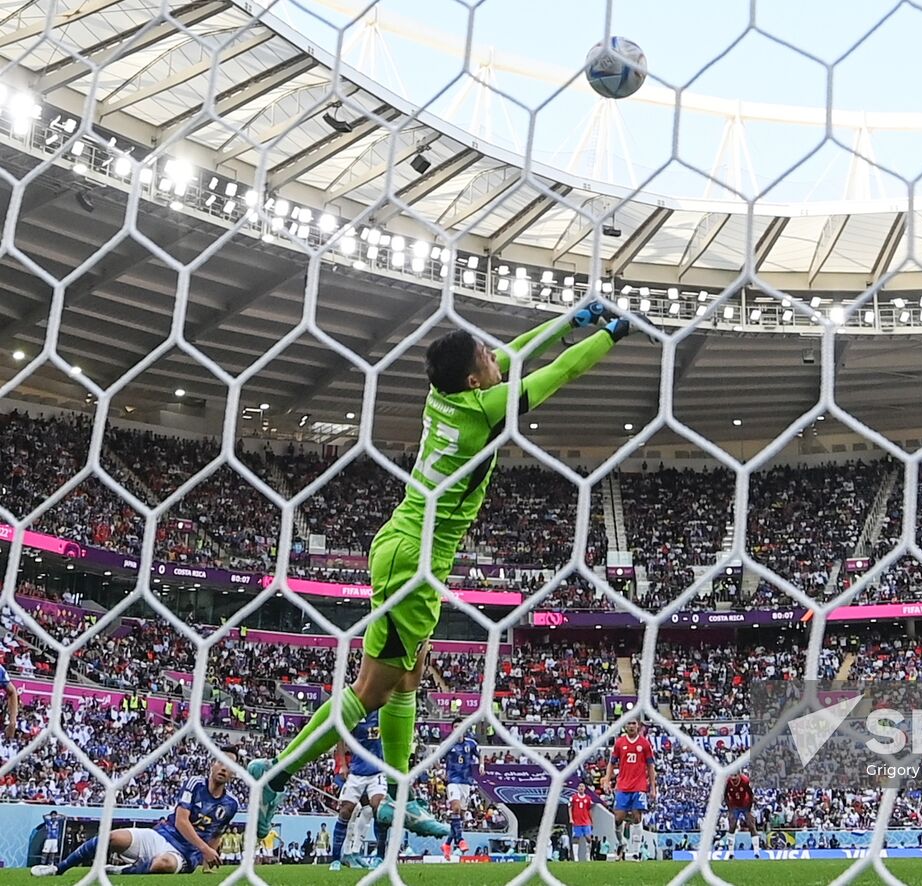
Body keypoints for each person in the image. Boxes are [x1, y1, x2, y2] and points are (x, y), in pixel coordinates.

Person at [248, 304, 630, 840]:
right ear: (476, 379)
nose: (499, 359)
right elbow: (559, 372)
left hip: (404, 544)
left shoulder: (445, 393)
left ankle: (396, 798)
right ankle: (277, 774)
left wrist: (569, 321)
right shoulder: (486, 410)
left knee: (410, 675)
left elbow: (515, 353)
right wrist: (610, 335)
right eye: (487, 359)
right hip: (417, 558)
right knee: (372, 690)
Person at [32, 755, 238, 876]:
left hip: (184, 855)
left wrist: (208, 860)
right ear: (212, 765)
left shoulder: (232, 804)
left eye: (229, 767)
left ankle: (123, 871)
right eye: (220, 762)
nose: (224, 768)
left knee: (162, 864)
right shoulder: (195, 784)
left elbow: (217, 832)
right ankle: (58, 869)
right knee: (111, 837)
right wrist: (206, 849)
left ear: (234, 774)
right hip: (162, 835)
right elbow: (181, 821)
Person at [329, 712, 389, 871]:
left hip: (377, 772)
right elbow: (340, 737)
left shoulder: (381, 713)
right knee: (346, 811)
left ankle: (379, 856)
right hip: (356, 773)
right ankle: (336, 858)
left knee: (378, 809)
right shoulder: (354, 713)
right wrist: (342, 764)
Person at [601, 720, 657, 860]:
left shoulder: (644, 744)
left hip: (639, 786)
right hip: (622, 786)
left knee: (637, 817)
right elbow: (611, 763)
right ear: (625, 726)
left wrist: (653, 788)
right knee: (618, 818)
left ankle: (637, 852)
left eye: (633, 723)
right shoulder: (620, 743)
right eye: (628, 724)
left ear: (638, 726)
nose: (631, 726)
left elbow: (650, 766)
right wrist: (607, 780)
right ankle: (622, 843)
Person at [443, 720, 482, 846]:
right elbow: (437, 757)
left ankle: (447, 844)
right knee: (456, 808)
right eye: (455, 726)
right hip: (453, 780)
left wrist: (481, 765)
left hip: (466, 781)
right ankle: (460, 840)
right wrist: (440, 769)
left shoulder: (471, 744)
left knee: (460, 814)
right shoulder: (448, 744)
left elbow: (480, 754)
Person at [722, 773, 760, 859]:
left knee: (751, 825)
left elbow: (751, 794)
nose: (733, 778)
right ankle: (731, 853)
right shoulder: (727, 782)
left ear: (738, 775)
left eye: (735, 776)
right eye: (731, 776)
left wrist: (750, 808)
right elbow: (725, 795)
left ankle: (757, 852)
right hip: (734, 805)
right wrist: (729, 808)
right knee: (732, 826)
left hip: (746, 804)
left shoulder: (745, 780)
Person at [569, 785, 595, 862]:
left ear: (584, 788)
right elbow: (570, 808)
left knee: (588, 838)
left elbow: (589, 810)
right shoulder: (573, 798)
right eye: (579, 786)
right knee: (576, 838)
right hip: (577, 821)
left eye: (582, 787)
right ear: (577, 788)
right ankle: (576, 857)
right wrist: (571, 818)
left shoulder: (588, 798)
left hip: (586, 821)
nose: (581, 788)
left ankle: (588, 856)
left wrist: (592, 820)